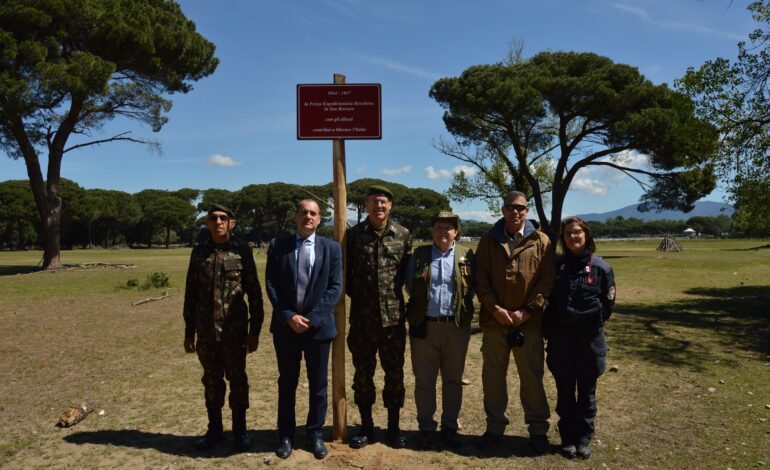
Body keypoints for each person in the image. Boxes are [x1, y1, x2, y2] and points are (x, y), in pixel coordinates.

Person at [474, 190, 555, 454]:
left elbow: (546, 279)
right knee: (493, 378)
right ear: (503, 210)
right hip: (495, 322)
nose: (515, 212)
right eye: (510, 207)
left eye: (520, 208)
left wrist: (528, 311)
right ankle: (495, 428)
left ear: (527, 211)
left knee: (532, 378)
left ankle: (538, 430)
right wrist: (494, 308)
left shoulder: (541, 240)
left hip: (528, 323)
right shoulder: (488, 240)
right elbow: (481, 278)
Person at [265, 199, 342, 460]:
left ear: (320, 219)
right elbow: (272, 284)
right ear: (295, 217)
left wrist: (311, 318)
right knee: (287, 383)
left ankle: (315, 434)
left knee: (318, 385)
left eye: (313, 213)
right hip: (286, 329)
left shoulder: (331, 248)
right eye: (303, 212)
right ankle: (286, 435)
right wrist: (289, 316)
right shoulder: (279, 245)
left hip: (318, 330)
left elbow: (335, 287)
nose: (308, 216)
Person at [183, 203, 263, 452]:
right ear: (207, 223)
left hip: (235, 333)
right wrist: (189, 330)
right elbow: (190, 294)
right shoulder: (199, 253)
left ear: (232, 223)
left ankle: (240, 432)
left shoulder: (241, 251)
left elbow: (255, 293)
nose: (218, 222)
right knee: (211, 382)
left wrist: (254, 331)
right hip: (206, 333)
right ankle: (214, 431)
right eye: (213, 218)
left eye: (223, 218)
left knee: (238, 381)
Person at [346, 185, 412, 449]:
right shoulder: (352, 236)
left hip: (393, 320)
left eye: (383, 202)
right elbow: (346, 277)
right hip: (362, 321)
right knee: (363, 374)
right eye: (374, 202)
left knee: (394, 375)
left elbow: (407, 276)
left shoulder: (403, 235)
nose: (379, 207)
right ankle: (366, 426)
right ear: (366, 205)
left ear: (390, 206)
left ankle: (394, 428)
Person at [544, 217, 616, 460]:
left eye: (577, 233)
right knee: (564, 391)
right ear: (563, 238)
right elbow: (548, 302)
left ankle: (584, 438)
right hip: (561, 341)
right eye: (567, 234)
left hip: (589, 341)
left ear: (586, 235)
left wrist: (587, 323)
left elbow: (608, 305)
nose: (572, 237)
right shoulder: (556, 267)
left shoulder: (601, 268)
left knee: (587, 393)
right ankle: (567, 437)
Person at [405, 211, 475, 450]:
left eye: (448, 228)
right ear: (432, 231)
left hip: (456, 328)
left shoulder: (467, 256)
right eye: (438, 227)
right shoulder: (420, 255)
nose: (442, 232)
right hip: (425, 327)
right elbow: (409, 285)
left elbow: (472, 287)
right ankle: (426, 427)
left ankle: (450, 427)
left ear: (456, 232)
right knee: (424, 381)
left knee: (453, 380)